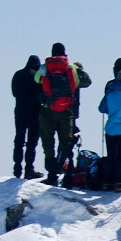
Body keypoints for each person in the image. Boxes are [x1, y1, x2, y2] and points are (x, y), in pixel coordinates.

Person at [35, 42, 85, 186]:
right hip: (66, 110)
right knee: (66, 144)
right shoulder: (69, 67)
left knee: (48, 143)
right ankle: (68, 177)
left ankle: (52, 176)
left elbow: (36, 79)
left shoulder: (45, 67)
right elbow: (75, 84)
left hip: (48, 109)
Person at [97, 59, 121, 189]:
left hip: (111, 128)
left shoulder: (110, 93)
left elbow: (102, 109)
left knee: (111, 156)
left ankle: (106, 182)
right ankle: (119, 182)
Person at [10, 55, 42, 178]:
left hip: (19, 111)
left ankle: (17, 168)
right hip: (34, 112)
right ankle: (29, 169)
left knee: (19, 139)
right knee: (32, 142)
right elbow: (41, 93)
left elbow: (14, 93)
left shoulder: (17, 74)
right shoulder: (37, 76)